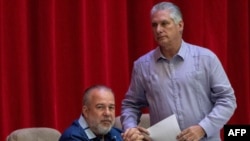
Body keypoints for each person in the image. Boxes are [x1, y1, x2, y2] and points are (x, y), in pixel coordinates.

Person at [121, 2, 237, 141]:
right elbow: (131, 105)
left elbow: (227, 100)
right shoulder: (142, 66)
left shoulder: (206, 59)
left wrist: (203, 128)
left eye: (164, 23)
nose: (158, 30)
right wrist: (130, 128)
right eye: (154, 25)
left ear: (180, 25)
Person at [59, 85, 145, 141]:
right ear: (86, 111)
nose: (107, 113)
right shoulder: (72, 137)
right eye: (100, 107)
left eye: (111, 107)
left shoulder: (116, 133)